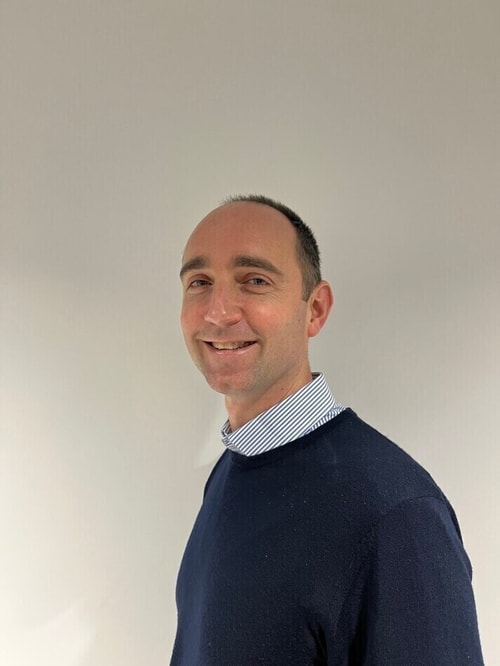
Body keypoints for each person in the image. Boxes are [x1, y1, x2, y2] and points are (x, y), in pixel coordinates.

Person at [171, 194, 483, 665]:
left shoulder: (396, 513)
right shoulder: (230, 472)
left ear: (315, 309)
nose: (218, 312)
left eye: (254, 280)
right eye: (199, 282)